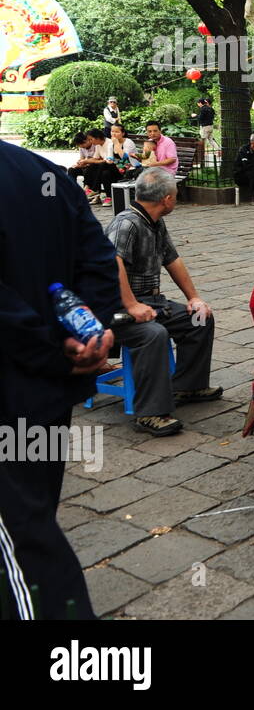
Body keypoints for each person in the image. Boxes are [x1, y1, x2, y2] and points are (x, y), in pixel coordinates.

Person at [0, 138, 120, 619]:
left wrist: (54, 350)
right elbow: (98, 261)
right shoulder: (41, 175)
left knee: (27, 545)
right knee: (35, 507)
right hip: (48, 393)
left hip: (23, 381)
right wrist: (88, 332)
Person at [105, 167, 222, 437]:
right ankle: (150, 413)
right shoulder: (127, 223)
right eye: (175, 195)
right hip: (119, 309)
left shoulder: (155, 222)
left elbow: (172, 259)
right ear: (167, 199)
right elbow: (112, 262)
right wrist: (132, 305)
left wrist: (194, 298)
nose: (176, 198)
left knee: (200, 318)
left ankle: (188, 385)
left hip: (152, 303)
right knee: (153, 335)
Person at [68, 128, 115, 204]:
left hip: (113, 167)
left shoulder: (109, 143)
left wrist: (87, 161)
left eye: (91, 139)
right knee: (73, 169)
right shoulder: (98, 145)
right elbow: (95, 159)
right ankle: (80, 190)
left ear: (97, 138)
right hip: (101, 167)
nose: (90, 141)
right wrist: (83, 162)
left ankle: (93, 189)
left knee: (97, 166)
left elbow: (108, 161)